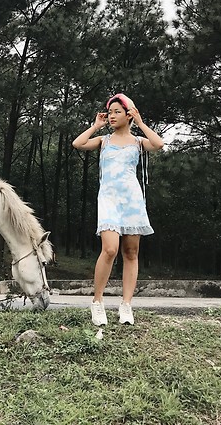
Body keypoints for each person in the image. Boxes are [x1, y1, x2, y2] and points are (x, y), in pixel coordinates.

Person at [72, 93, 164, 326]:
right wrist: (96, 126)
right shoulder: (103, 140)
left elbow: (159, 144)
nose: (112, 116)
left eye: (117, 112)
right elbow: (78, 144)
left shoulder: (138, 142)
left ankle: (126, 305)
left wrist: (141, 123)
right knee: (110, 249)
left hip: (132, 200)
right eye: (110, 112)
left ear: (128, 115)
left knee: (131, 252)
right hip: (109, 199)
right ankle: (97, 302)